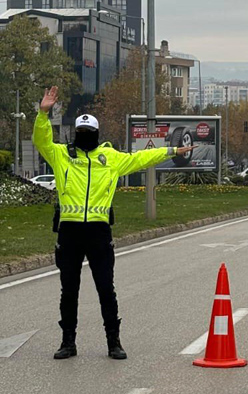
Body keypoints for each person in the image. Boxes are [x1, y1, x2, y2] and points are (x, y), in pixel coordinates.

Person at [33, 86, 196, 360]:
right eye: (80, 132)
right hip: (70, 231)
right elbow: (42, 140)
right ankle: (68, 342)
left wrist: (173, 150)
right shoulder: (62, 155)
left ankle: (113, 342)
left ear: (97, 135)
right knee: (68, 290)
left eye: (88, 133)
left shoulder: (111, 159)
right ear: (76, 134)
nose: (84, 137)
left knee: (106, 288)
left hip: (98, 232)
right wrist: (43, 113)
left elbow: (142, 157)